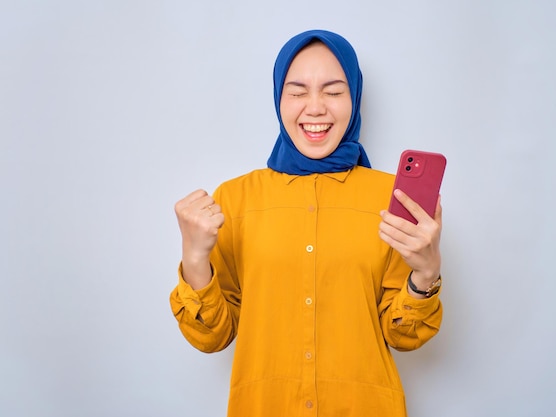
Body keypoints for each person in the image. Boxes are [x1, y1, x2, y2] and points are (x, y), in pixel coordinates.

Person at [170, 29, 443, 417]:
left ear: (355, 98)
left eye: (333, 91)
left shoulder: (394, 200)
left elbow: (402, 335)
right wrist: (195, 259)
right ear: (278, 99)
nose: (315, 108)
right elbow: (213, 336)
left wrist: (426, 274)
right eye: (297, 91)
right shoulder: (235, 199)